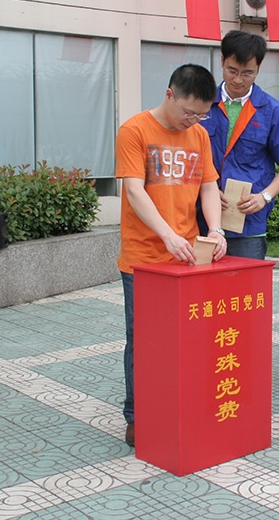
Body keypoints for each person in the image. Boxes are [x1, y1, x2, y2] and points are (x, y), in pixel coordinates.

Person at [115, 64, 228, 447]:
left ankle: (182, 405)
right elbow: (134, 190)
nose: (193, 121)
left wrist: (215, 230)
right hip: (144, 258)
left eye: (201, 115)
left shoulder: (199, 135)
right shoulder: (134, 130)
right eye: (188, 112)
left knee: (187, 338)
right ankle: (138, 415)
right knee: (143, 340)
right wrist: (166, 235)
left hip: (188, 257)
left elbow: (209, 186)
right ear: (169, 95)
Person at [200, 30, 279, 259]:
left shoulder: (271, 111)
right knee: (205, 281)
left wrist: (263, 197)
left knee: (246, 281)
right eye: (232, 71)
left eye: (247, 73)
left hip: (248, 223)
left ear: (258, 68)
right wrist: (207, 190)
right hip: (201, 218)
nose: (238, 80)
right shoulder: (202, 104)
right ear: (222, 61)